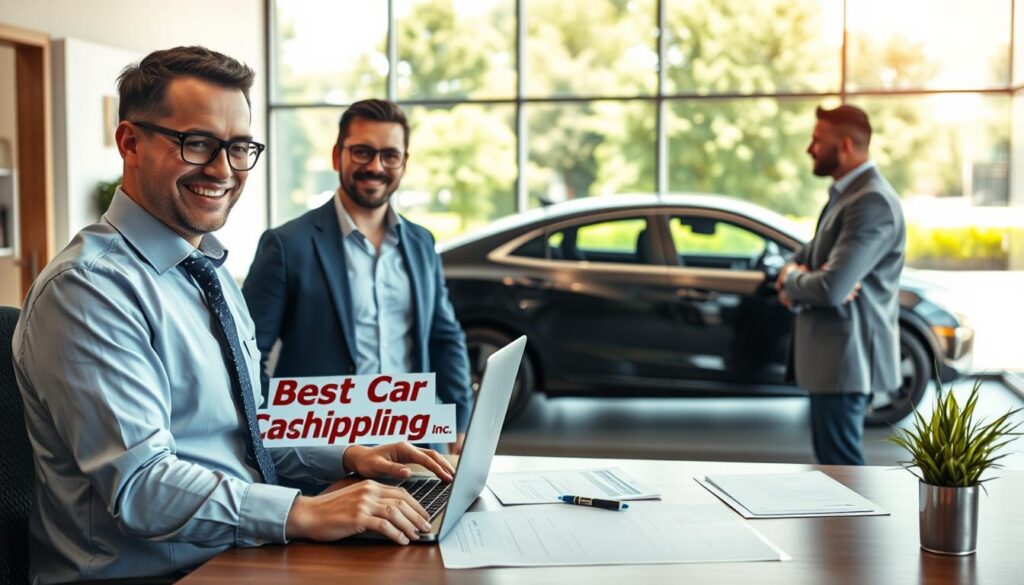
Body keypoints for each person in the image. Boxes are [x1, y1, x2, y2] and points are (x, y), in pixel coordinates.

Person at [12, 47, 453, 584]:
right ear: (129, 142)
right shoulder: (89, 289)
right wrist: (302, 512)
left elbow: (243, 434)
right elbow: (141, 488)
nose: (222, 170)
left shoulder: (209, 270)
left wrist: (346, 458)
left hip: (235, 553)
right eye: (196, 143)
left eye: (239, 147)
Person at [243, 99, 473, 455]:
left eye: (390, 155)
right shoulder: (287, 245)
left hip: (419, 447)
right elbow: (247, 353)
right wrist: (274, 435)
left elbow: (444, 335)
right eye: (362, 152)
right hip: (327, 456)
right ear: (338, 156)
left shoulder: (421, 242)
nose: (376, 166)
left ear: (404, 162)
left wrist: (459, 420)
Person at [775, 104, 906, 466]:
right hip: (835, 361)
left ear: (845, 145)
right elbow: (804, 258)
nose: (809, 148)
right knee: (834, 465)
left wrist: (793, 280)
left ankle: (849, 526)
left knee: (842, 468)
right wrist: (796, 276)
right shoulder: (847, 195)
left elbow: (832, 288)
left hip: (846, 360)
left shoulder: (871, 201)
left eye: (817, 140)